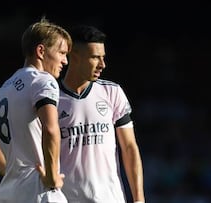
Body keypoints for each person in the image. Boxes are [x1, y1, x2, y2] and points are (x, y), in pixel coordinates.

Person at [0, 17, 72, 203]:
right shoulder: (43, 81)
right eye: (62, 53)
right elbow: (51, 129)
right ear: (41, 51)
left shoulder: (5, 89)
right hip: (38, 191)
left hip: (9, 192)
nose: (65, 61)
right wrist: (52, 176)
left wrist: (14, 174)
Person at [57, 25, 145, 202]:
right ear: (74, 56)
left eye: (103, 57)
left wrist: (138, 198)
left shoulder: (112, 92)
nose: (102, 65)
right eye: (95, 57)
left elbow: (129, 147)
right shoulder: (50, 98)